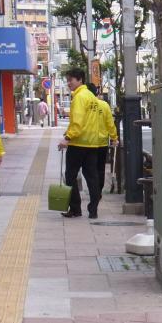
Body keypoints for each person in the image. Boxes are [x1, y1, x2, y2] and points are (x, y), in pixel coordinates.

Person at [58, 68, 103, 219]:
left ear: (80, 80)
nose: (68, 83)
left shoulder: (79, 97)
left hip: (78, 144)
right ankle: (93, 210)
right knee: (92, 177)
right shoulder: (92, 97)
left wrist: (67, 138)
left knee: (70, 176)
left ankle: (75, 209)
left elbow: (77, 122)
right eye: (68, 80)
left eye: (71, 80)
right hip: (92, 144)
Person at [86, 84, 118, 195]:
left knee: (90, 169)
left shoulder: (86, 104)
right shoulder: (104, 105)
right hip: (102, 143)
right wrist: (114, 138)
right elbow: (110, 123)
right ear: (97, 93)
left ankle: (93, 191)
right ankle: (98, 190)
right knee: (100, 168)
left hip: (88, 143)